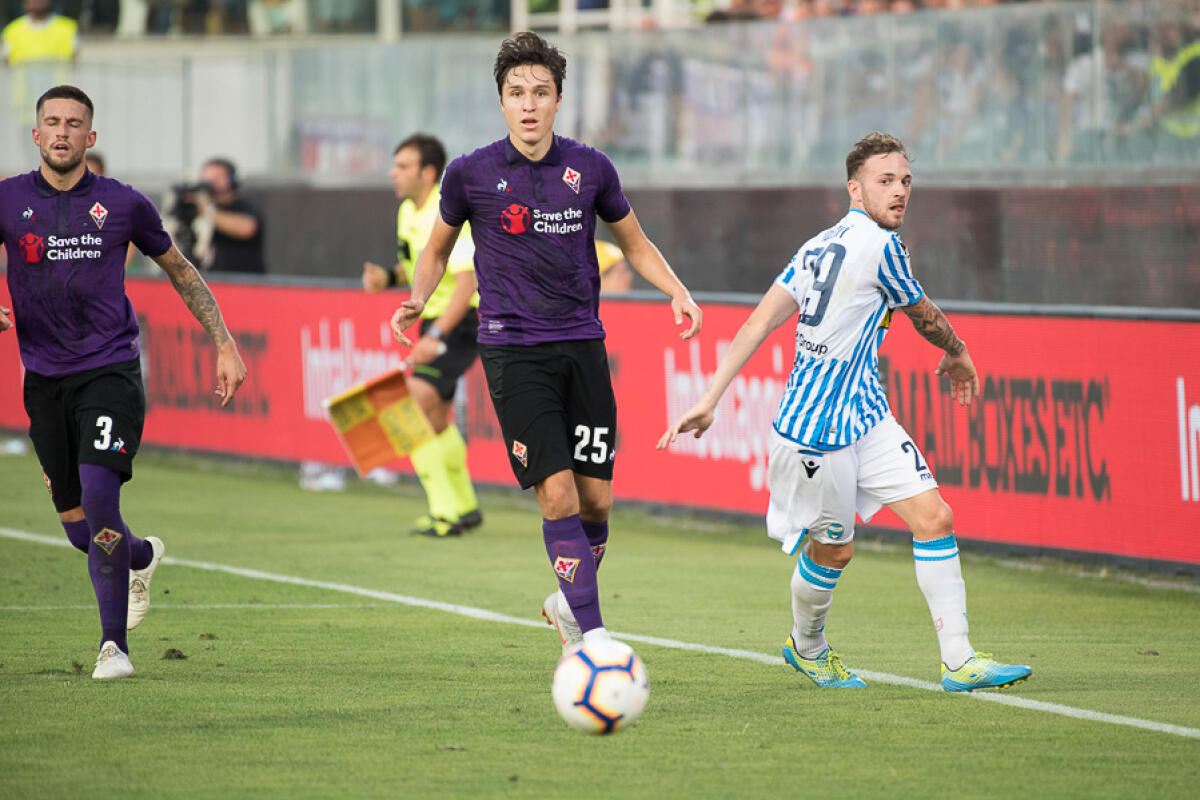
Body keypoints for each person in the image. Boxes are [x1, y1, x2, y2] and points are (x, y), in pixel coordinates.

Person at [659, 132, 1031, 693]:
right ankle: (806, 648)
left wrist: (712, 397)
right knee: (834, 550)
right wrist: (957, 352)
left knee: (936, 519)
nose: (900, 191)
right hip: (814, 430)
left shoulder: (816, 245)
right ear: (854, 189)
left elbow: (758, 322)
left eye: (906, 181)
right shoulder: (880, 248)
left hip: (865, 414)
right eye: (886, 181)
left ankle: (959, 661)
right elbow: (922, 313)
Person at [389, 32, 702, 655]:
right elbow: (438, 249)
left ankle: (567, 604)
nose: (528, 105)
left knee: (596, 498)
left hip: (583, 345)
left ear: (558, 100)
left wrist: (678, 290)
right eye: (516, 94)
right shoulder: (470, 173)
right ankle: (593, 637)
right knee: (555, 493)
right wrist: (418, 300)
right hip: (512, 351)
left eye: (540, 92)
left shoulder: (590, 168)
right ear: (501, 103)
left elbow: (634, 243)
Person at [0, 85, 247, 679]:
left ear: (91, 138)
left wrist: (224, 341)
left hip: (109, 370)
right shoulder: (8, 201)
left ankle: (114, 648)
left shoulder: (123, 204)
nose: (62, 132)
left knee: (103, 497)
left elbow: (180, 271)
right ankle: (140, 555)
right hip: (44, 380)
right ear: (36, 135)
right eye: (52, 122)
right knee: (83, 530)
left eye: (74, 124)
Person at [362, 133, 483, 538]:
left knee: (407, 408)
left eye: (403, 166)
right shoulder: (406, 212)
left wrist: (437, 336)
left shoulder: (445, 209)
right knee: (432, 417)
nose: (393, 173)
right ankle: (463, 505)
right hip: (436, 319)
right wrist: (388, 276)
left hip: (463, 319)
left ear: (427, 173)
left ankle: (445, 515)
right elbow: (413, 264)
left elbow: (468, 281)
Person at [195, 157, 266, 274]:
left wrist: (207, 212)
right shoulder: (198, 208)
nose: (210, 183)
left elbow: (247, 228)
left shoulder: (245, 206)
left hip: (243, 281)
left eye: (216, 178)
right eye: (206, 178)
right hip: (210, 280)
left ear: (231, 179)